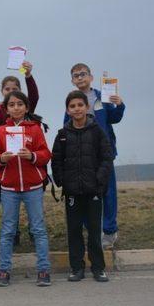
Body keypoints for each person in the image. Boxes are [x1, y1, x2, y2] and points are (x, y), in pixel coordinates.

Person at [0, 91, 52, 287]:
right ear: (6, 109)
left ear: (26, 107)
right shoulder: (0, 131)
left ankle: (43, 270)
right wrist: (2, 159)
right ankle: (4, 271)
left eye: (20, 104)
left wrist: (32, 156)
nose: (16, 107)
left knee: (38, 229)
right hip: (9, 188)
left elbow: (45, 154)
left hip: (33, 187)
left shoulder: (35, 128)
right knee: (8, 230)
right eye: (12, 104)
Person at [52, 90, 114, 282]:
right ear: (67, 110)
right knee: (74, 231)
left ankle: (98, 268)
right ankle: (76, 268)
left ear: (87, 108)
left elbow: (107, 157)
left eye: (80, 105)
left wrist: (99, 180)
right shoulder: (62, 135)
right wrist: (62, 181)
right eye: (72, 106)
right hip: (72, 192)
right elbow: (56, 161)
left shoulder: (97, 131)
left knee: (95, 231)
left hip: (94, 190)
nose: (77, 109)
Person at [65, 63, 125, 248]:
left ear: (91, 77)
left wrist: (119, 104)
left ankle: (109, 231)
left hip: (104, 153)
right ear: (72, 81)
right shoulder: (73, 101)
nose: (80, 77)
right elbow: (66, 125)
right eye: (76, 75)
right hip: (83, 156)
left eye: (83, 74)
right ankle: (91, 229)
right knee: (85, 194)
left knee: (108, 193)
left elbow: (114, 118)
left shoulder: (102, 96)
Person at [0, 60, 39, 247]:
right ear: (2, 92)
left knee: (33, 207)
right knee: (9, 208)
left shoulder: (24, 109)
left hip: (28, 164)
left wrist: (27, 75)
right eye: (7, 89)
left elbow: (34, 97)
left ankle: (33, 231)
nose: (11, 91)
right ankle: (14, 234)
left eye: (15, 88)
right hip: (7, 165)